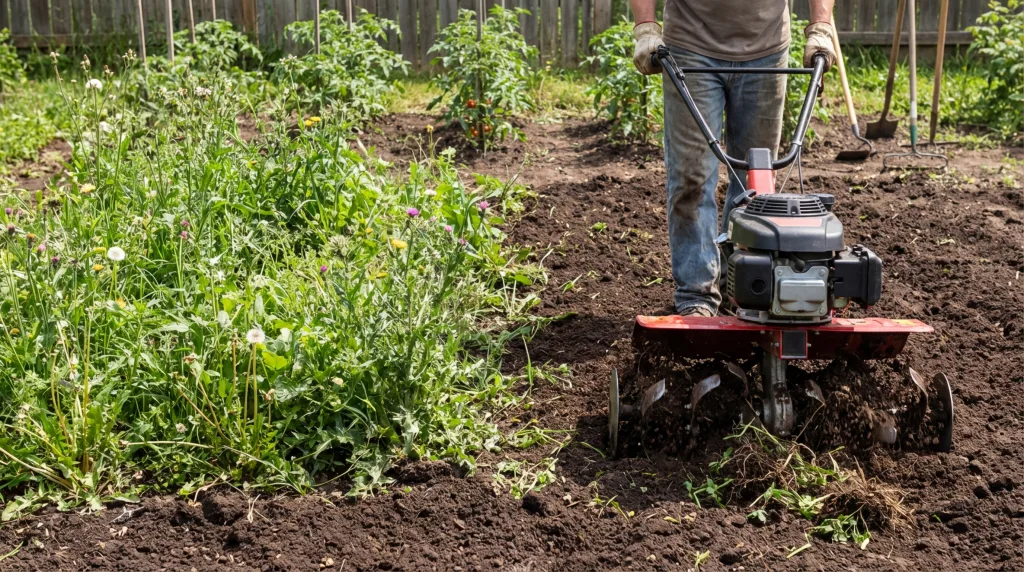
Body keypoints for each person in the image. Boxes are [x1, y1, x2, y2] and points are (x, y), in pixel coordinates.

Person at [630, 0, 837, 317]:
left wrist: (821, 27)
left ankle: (741, 287)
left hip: (767, 49)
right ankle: (696, 294)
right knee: (691, 177)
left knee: (756, 183)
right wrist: (646, 27)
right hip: (690, 45)